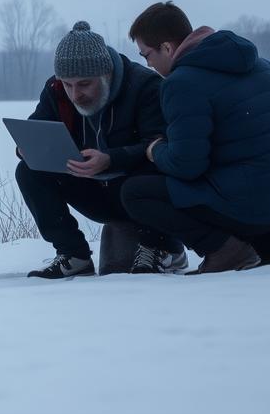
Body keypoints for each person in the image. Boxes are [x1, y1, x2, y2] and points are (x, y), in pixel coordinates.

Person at [121, 2, 270, 274]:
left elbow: (187, 165)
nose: (148, 64)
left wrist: (155, 150)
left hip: (254, 205)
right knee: (229, 176)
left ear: (167, 47)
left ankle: (225, 251)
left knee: (136, 193)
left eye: (147, 55)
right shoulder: (262, 65)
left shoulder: (181, 83)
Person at [15, 21, 187, 278]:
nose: (75, 94)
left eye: (84, 84)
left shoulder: (145, 87)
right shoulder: (56, 90)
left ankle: (162, 247)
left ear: (106, 74)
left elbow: (162, 147)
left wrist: (111, 160)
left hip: (139, 192)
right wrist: (27, 148)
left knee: (152, 168)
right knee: (28, 171)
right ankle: (73, 254)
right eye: (68, 84)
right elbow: (38, 126)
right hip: (91, 188)